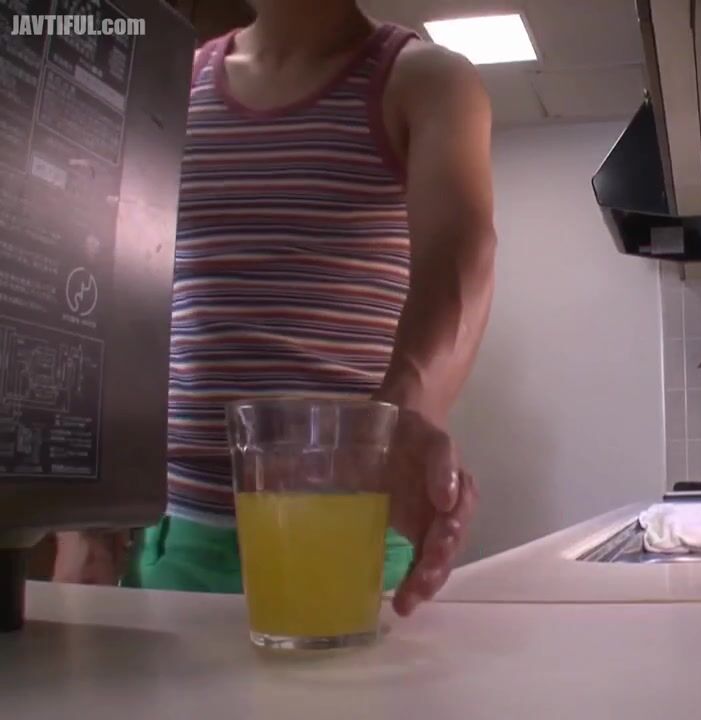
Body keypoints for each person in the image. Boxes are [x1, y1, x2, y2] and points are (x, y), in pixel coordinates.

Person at [52, 0, 495, 617]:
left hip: (342, 530)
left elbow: (460, 254)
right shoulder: (171, 85)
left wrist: (405, 415)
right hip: (174, 537)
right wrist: (87, 519)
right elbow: (116, 295)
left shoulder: (427, 79)